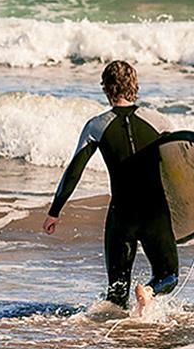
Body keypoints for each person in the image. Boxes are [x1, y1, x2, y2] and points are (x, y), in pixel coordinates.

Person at [41, 60, 180, 309]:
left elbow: (74, 171)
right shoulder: (159, 123)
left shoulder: (96, 126)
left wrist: (55, 211)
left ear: (106, 88)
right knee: (168, 275)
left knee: (117, 294)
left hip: (121, 215)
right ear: (135, 85)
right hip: (155, 212)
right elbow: (183, 170)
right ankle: (149, 291)